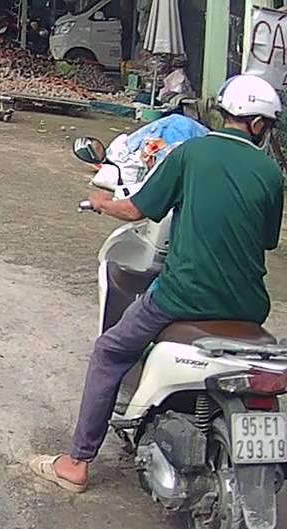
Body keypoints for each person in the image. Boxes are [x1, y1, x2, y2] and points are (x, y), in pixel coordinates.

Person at [28, 74, 285, 493]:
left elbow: (136, 211)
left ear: (225, 114)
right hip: (248, 306)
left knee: (109, 351)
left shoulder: (190, 154)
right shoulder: (271, 173)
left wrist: (102, 203)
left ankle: (76, 464)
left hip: (183, 296)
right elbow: (267, 239)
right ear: (258, 125)